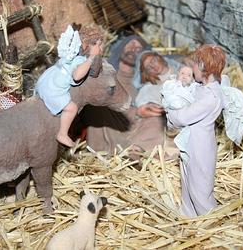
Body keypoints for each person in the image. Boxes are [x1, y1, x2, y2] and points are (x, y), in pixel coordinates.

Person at [81, 35, 178, 158]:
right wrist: (136, 112)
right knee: (101, 104)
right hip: (108, 123)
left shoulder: (142, 86)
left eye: (138, 49)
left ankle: (134, 154)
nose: (133, 50)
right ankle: (107, 151)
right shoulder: (104, 71)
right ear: (121, 47)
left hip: (132, 129)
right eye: (131, 45)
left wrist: (146, 111)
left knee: (156, 121)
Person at [165, 44, 227, 217]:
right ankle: (188, 214)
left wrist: (171, 113)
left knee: (199, 187)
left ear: (204, 67)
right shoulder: (201, 88)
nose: (192, 67)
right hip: (189, 142)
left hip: (200, 146)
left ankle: (209, 218)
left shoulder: (211, 96)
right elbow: (187, 95)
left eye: (195, 63)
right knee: (187, 181)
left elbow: (184, 116)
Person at [35, 25, 102, 147]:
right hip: (54, 86)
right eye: (97, 45)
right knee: (72, 108)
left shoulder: (70, 51)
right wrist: (92, 58)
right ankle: (62, 134)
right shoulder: (81, 60)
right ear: (87, 45)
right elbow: (77, 75)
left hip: (47, 78)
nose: (99, 49)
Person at [160, 66, 199, 162]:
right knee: (172, 139)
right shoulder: (172, 85)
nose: (185, 76)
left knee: (188, 140)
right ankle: (171, 157)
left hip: (188, 121)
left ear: (193, 79)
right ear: (177, 75)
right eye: (182, 73)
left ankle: (187, 157)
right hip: (173, 121)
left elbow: (194, 101)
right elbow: (167, 97)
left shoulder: (193, 89)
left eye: (189, 75)